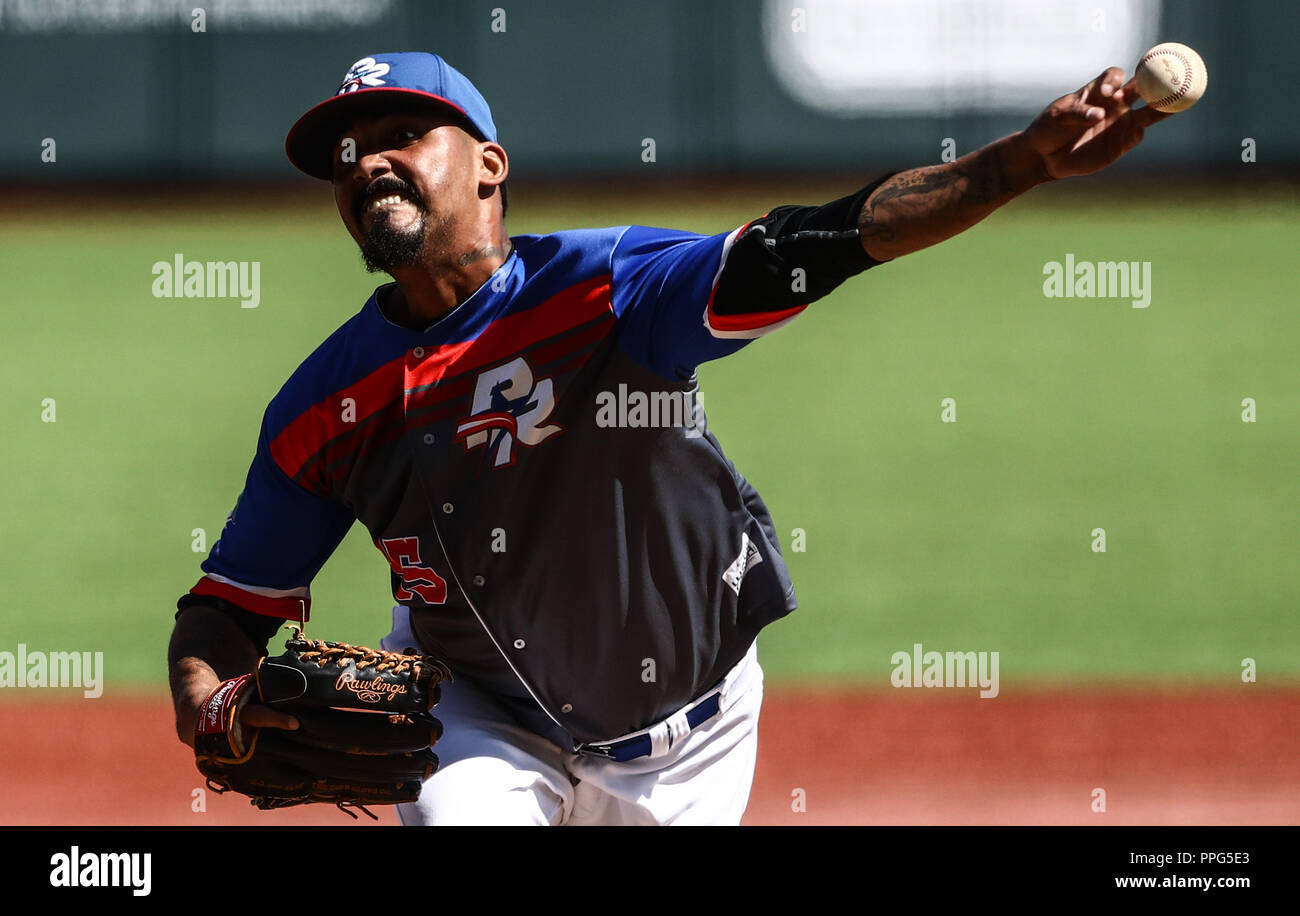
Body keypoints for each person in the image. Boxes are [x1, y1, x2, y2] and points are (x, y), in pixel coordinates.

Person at [168, 52, 1170, 825]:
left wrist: (1015, 165)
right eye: (349, 153)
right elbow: (223, 611)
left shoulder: (603, 291)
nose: (369, 160)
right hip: (478, 715)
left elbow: (822, 242)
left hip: (694, 733)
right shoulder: (322, 406)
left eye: (401, 132)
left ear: (487, 165)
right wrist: (210, 709)